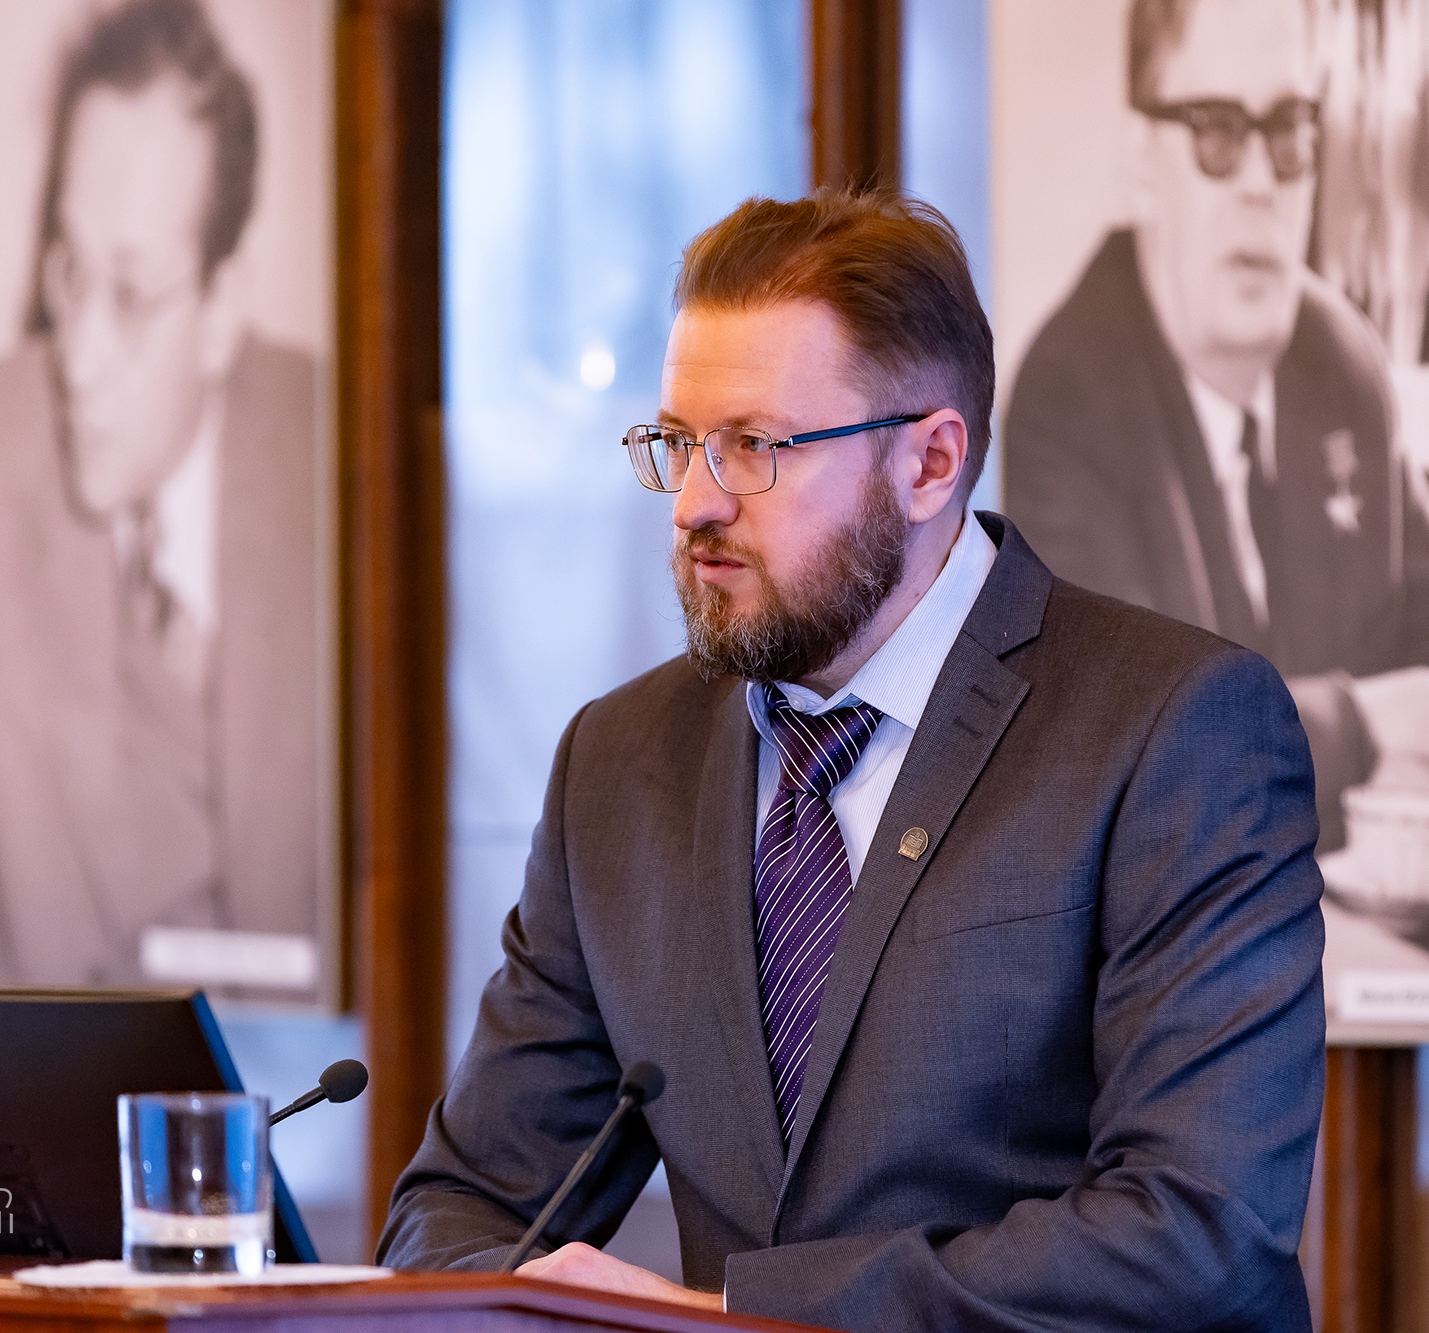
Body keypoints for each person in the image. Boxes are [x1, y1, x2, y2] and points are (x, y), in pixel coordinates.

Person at [379, 191, 1326, 1331]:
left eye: (753, 447)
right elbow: (461, 1207)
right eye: (677, 443)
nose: (693, 505)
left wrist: (729, 1313)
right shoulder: (618, 765)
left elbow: (1196, 1230)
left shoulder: (1177, 728)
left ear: (929, 464)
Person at [1003, 0, 1429, 957]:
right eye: (1215, 132)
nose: (1259, 184)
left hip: (1373, 961)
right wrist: (1368, 730)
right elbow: (1136, 754)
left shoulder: (1342, 366)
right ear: (1143, 160)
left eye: (1288, 133)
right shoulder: (1067, 399)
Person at [0, 0, 321, 989]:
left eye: (129, 294)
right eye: (70, 269)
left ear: (222, 309)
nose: (77, 358)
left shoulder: (334, 463)